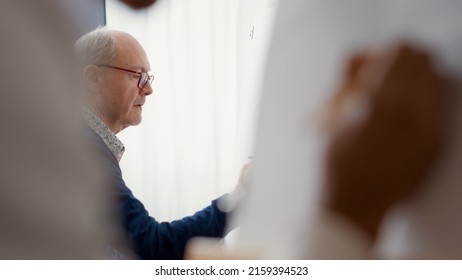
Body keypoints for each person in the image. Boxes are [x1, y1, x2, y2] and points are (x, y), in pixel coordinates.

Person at [75, 27, 241, 260]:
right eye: (137, 76)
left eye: (148, 77)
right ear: (93, 78)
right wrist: (237, 202)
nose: (149, 89)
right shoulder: (83, 150)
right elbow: (150, 248)